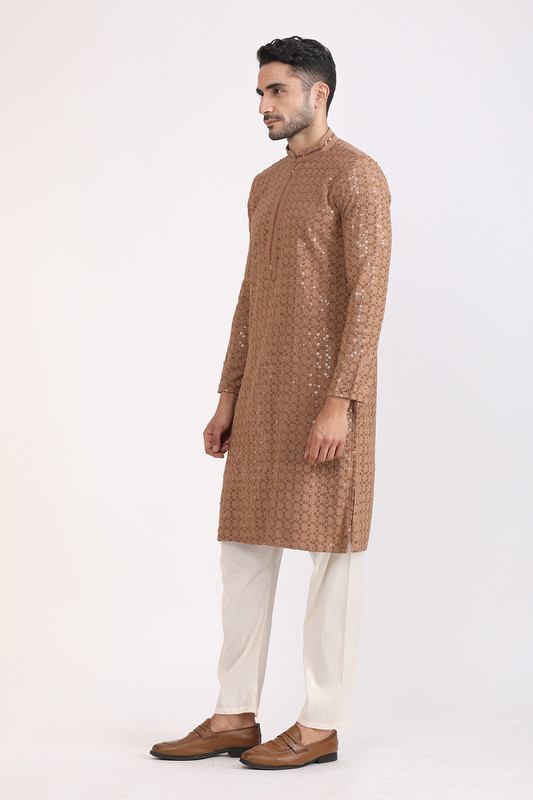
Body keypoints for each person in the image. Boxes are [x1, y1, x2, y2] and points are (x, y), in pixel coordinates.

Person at [150, 35, 392, 770]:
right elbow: (251, 295)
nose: (263, 105)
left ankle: (320, 724)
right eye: (260, 92)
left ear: (319, 93)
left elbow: (369, 295)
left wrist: (341, 398)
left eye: (276, 90)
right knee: (243, 552)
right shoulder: (264, 184)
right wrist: (228, 393)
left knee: (331, 556)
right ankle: (234, 714)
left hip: (328, 396)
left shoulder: (356, 174)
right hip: (261, 395)